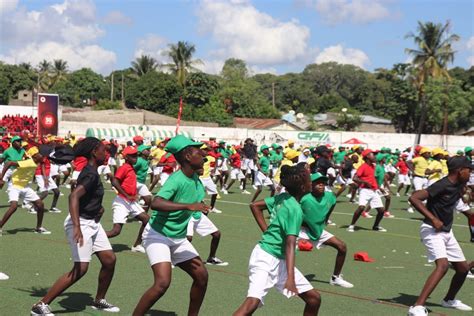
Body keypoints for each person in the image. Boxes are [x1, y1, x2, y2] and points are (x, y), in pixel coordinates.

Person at [31, 137, 119, 315]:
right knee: (81, 269)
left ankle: (99, 300)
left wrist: (97, 208)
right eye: (103, 150)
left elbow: (81, 194)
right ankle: (40, 305)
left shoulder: (92, 171)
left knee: (109, 260)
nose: (106, 152)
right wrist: (78, 226)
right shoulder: (91, 173)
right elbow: (73, 197)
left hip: (92, 222)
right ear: (94, 152)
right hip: (81, 224)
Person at [133, 135, 210, 316]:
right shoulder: (176, 179)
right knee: (162, 284)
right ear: (187, 157)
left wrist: (199, 208)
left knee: (202, 277)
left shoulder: (196, 180)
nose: (204, 156)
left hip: (178, 237)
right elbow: (156, 203)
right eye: (199, 152)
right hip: (157, 235)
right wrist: (188, 206)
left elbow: (192, 203)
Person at [234, 164, 321, 316]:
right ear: (302, 187)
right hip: (266, 258)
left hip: (278, 259)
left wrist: (267, 231)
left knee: (313, 299)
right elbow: (290, 243)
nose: (311, 182)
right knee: (251, 304)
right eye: (309, 180)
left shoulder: (283, 197)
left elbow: (255, 206)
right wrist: (291, 278)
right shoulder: (295, 209)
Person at [407, 156, 473, 316]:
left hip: (446, 232)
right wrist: (433, 218)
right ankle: (417, 307)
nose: (470, 173)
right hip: (431, 230)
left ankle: (449, 300)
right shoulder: (442, 185)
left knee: (463, 269)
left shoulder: (459, 184)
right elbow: (414, 198)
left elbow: (465, 208)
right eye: (469, 170)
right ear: (459, 170)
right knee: (442, 265)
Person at [298, 172, 353, 288]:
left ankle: (335, 278)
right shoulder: (303, 198)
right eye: (317, 183)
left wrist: (326, 218)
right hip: (300, 230)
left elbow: (333, 202)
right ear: (310, 185)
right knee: (286, 253)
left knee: (342, 246)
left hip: (317, 230)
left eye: (323, 183)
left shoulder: (329, 196)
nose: (321, 185)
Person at [106, 146, 150, 253]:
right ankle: (92, 238)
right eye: (133, 156)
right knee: (116, 231)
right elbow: (115, 182)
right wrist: (127, 195)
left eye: (136, 155)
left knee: (146, 219)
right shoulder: (125, 167)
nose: (135, 158)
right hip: (122, 201)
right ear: (126, 157)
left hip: (131, 202)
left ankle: (137, 245)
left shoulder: (130, 167)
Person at [0, 146, 51, 235]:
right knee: (14, 206)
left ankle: (38, 228)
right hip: (15, 186)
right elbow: (9, 163)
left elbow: (43, 162)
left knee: (40, 205)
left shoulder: (36, 162)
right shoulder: (28, 162)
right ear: (34, 156)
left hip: (25, 187)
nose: (40, 155)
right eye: (38, 154)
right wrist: (1, 177)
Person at [347, 149, 387, 233]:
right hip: (364, 190)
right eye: (373, 154)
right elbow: (355, 178)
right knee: (361, 207)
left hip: (374, 190)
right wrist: (365, 182)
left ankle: (376, 226)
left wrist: (379, 188)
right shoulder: (363, 166)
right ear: (367, 156)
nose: (374, 156)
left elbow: (373, 178)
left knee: (381, 210)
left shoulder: (373, 166)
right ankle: (351, 225)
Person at [199, 144, 222, 213]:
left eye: (207, 150)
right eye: (204, 150)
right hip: (200, 179)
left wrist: (214, 170)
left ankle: (212, 208)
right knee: (199, 196)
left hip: (208, 178)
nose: (206, 151)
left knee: (214, 193)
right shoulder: (197, 158)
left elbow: (216, 159)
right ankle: (201, 208)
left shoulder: (209, 157)